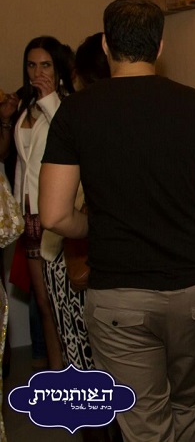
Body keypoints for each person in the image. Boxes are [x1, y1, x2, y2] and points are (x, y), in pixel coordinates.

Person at [38, 0, 195, 441]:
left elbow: (53, 214)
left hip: (119, 296)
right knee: (190, 408)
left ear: (106, 45)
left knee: (144, 423)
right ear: (160, 46)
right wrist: (187, 232)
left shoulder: (76, 112)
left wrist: (93, 228)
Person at [39, 32, 120, 442]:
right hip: (107, 260)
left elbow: (57, 212)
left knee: (86, 360)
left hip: (79, 253)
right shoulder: (124, 118)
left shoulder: (77, 118)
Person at [12, 36, 74, 370]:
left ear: (58, 68)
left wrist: (50, 100)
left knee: (59, 302)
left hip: (53, 211)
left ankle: (67, 371)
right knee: (43, 301)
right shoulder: (28, 106)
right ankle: (55, 371)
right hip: (28, 214)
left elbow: (69, 135)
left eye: (45, 65)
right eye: (32, 65)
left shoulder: (64, 105)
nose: (38, 72)